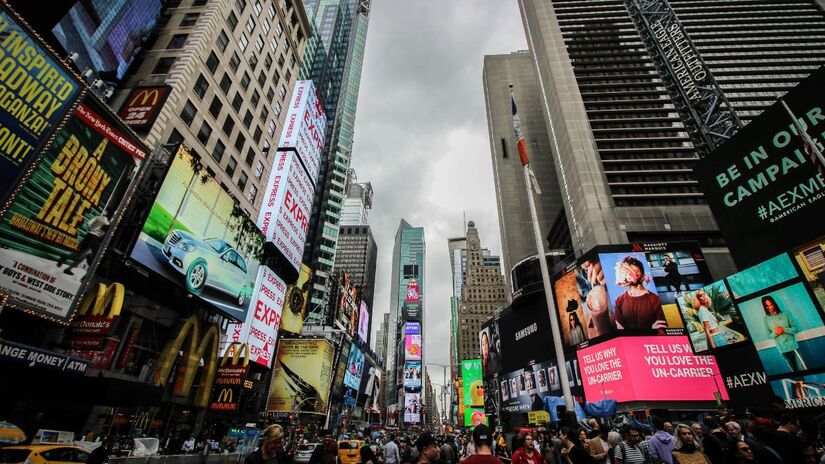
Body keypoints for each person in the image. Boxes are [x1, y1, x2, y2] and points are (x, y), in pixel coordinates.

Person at [613, 256, 667, 330]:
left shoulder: (654, 299)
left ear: (643, 276)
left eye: (636, 271)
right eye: (629, 271)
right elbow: (620, 329)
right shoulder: (619, 300)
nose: (631, 274)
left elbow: (662, 327)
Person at [762, 295, 807, 371]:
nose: (770, 307)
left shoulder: (785, 313)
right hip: (782, 350)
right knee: (793, 374)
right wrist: (776, 333)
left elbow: (796, 329)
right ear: (765, 307)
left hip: (793, 347)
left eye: (771, 304)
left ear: (774, 303)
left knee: (802, 369)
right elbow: (768, 336)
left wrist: (784, 330)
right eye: (767, 306)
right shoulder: (766, 319)